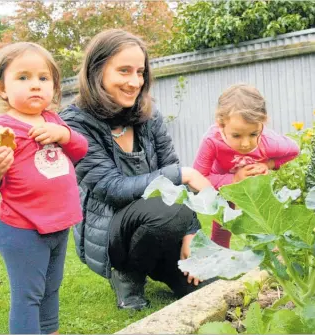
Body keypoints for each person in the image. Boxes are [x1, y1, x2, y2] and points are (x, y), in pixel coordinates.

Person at [59, 29, 212, 311]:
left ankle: (165, 267)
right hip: (111, 233)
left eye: (140, 72)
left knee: (206, 286)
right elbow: (112, 189)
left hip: (162, 223)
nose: (134, 82)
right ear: (97, 71)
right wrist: (185, 175)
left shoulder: (148, 115)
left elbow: (169, 168)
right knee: (168, 209)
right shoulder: (73, 125)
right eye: (124, 71)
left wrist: (192, 232)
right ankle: (127, 274)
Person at [0, 42, 88, 334]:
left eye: (43, 78)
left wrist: (64, 134)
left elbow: (81, 150)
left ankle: (49, 330)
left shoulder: (52, 121)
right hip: (22, 228)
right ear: (2, 88)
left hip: (58, 225)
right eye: (23, 78)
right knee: (28, 297)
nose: (35, 85)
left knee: (51, 288)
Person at [193, 83, 300, 248]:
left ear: (262, 124)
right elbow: (198, 177)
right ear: (221, 125)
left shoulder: (268, 141)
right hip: (223, 183)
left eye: (253, 134)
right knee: (223, 222)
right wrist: (234, 179)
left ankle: (275, 255)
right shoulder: (212, 141)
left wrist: (268, 164)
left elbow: (294, 150)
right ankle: (219, 257)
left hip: (256, 182)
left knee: (268, 217)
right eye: (236, 135)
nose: (246, 144)